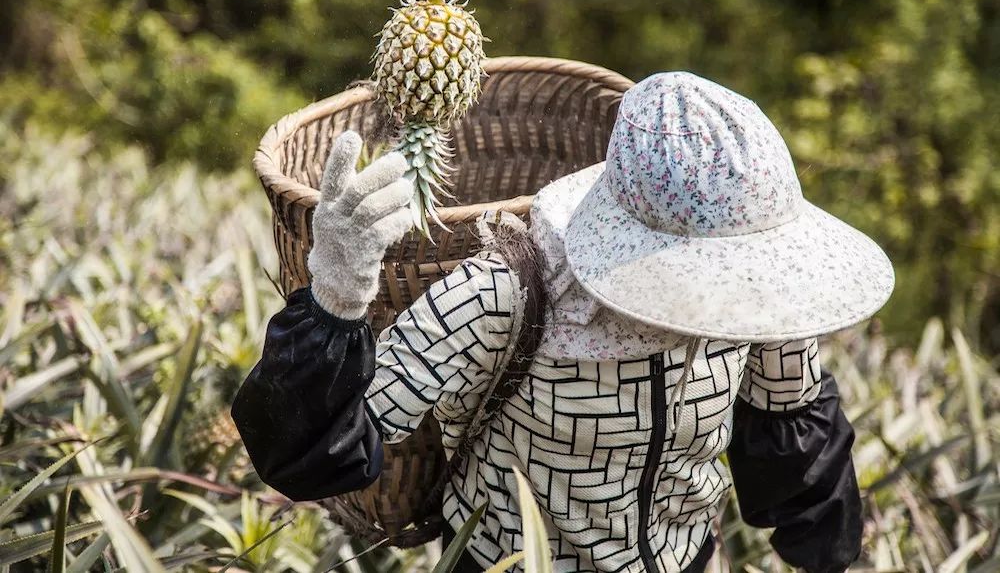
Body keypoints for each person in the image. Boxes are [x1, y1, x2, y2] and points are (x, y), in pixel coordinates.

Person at [232, 72, 895, 572]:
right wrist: (337, 300)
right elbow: (321, 453)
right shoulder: (509, 291)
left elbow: (797, 450)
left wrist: (834, 560)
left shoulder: (761, 294)